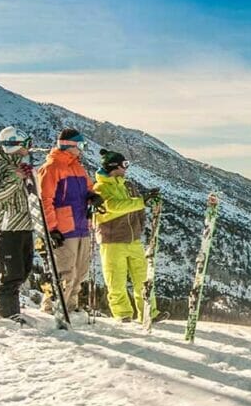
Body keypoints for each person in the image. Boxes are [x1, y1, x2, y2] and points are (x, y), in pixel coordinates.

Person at [93, 149, 161, 322]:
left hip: (133, 239)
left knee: (143, 278)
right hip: (112, 240)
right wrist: (140, 202)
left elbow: (138, 208)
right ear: (114, 166)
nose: (126, 168)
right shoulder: (100, 188)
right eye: (124, 165)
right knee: (116, 280)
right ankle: (123, 314)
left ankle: (148, 312)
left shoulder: (127, 185)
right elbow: (113, 206)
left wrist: (140, 223)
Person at [37, 127, 100, 314]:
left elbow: (89, 187)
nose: (82, 149)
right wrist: (51, 229)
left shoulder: (77, 167)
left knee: (80, 271)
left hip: (82, 225)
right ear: (69, 146)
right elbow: (45, 200)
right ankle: (52, 309)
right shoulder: (51, 168)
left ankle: (71, 308)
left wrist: (92, 196)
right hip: (64, 228)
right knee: (65, 272)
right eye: (80, 145)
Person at [0, 126, 35, 322]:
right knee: (11, 273)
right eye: (26, 144)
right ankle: (9, 315)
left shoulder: (17, 166)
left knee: (23, 270)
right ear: (14, 145)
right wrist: (15, 179)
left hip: (24, 226)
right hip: (6, 228)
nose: (30, 148)